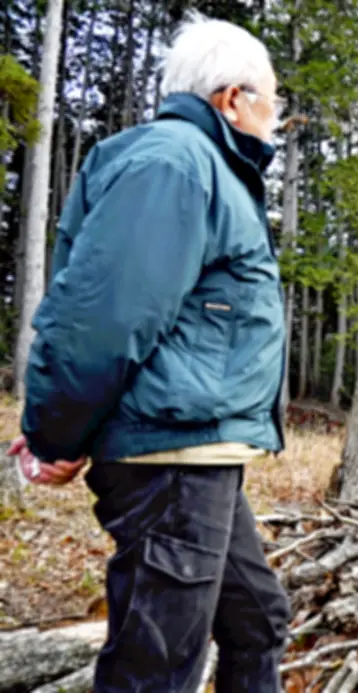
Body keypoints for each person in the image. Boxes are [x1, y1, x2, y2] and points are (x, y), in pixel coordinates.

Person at [9, 12, 292, 693]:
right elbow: (102, 316)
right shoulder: (175, 163)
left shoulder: (199, 166)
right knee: (157, 667)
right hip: (170, 457)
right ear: (232, 98)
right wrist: (53, 432)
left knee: (256, 620)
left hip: (199, 451)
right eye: (271, 99)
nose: (276, 118)